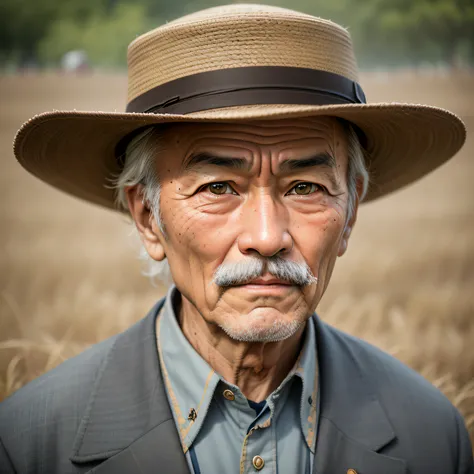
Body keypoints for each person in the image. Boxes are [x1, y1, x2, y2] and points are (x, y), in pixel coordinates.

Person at [1, 4, 472, 474]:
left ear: (349, 212)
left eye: (305, 187)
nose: (267, 237)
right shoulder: (30, 446)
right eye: (218, 188)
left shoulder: (431, 435)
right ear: (147, 216)